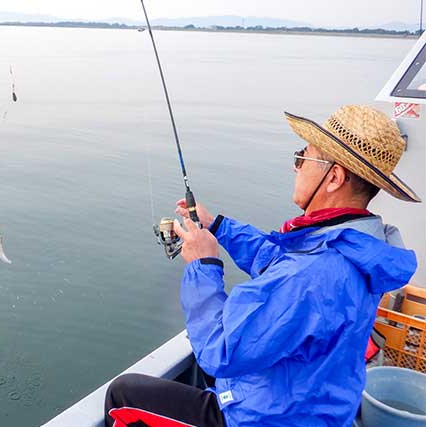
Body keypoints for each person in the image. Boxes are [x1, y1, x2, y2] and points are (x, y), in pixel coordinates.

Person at [105, 105, 420, 427]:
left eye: (302, 157)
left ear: (334, 177)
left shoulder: (313, 273)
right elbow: (278, 259)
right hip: (317, 405)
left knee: (124, 394)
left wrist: (204, 264)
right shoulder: (357, 245)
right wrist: (218, 227)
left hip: (268, 417)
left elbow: (221, 350)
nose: (295, 167)